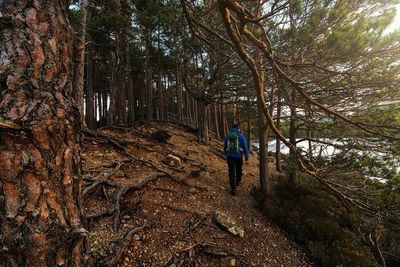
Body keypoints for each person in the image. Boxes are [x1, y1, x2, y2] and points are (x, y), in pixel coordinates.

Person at [223, 123, 249, 195]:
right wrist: (246, 156)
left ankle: (233, 188)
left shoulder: (228, 136)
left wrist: (225, 153)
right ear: (238, 128)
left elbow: (225, 145)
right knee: (238, 169)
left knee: (231, 171)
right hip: (238, 156)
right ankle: (238, 181)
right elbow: (245, 147)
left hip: (230, 156)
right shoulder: (241, 136)